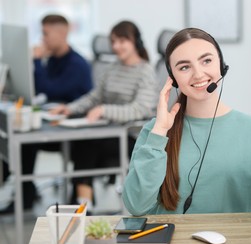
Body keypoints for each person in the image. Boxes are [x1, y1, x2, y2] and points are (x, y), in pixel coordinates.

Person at [122, 28, 251, 216]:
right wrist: (160, 132)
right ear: (173, 79)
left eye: (206, 61)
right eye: (184, 67)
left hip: (230, 243)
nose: (198, 74)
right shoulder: (155, 131)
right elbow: (136, 206)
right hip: (171, 243)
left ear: (221, 65)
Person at [51, 20, 158, 212]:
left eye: (122, 41)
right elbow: (95, 97)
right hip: (107, 132)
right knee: (84, 143)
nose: (116, 46)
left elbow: (140, 109)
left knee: (87, 145)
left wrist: (104, 110)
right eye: (113, 42)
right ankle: (83, 203)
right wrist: (70, 108)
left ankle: (81, 203)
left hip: (131, 136)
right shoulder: (112, 68)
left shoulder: (146, 72)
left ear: (136, 42)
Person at [0, 14, 93, 214]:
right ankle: (25, 193)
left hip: (76, 132)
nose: (42, 39)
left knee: (26, 140)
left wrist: (35, 60)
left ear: (62, 33)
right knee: (20, 137)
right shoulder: (53, 60)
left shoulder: (77, 64)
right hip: (55, 123)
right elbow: (39, 89)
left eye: (45, 34)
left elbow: (50, 89)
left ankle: (26, 195)